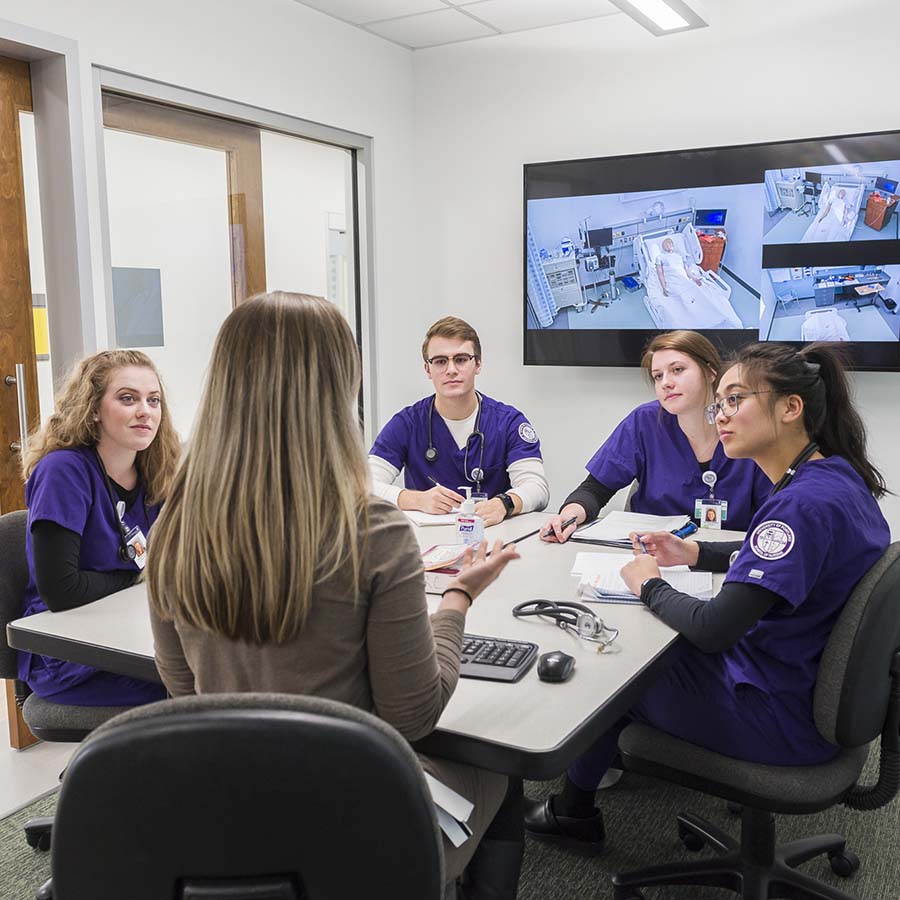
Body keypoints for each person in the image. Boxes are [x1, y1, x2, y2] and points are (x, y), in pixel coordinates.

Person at [147, 293, 525, 899]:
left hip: (230, 811)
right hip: (355, 826)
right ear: (337, 390)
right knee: (503, 769)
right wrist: (456, 598)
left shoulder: (175, 526)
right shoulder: (372, 531)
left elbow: (183, 692)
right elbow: (413, 717)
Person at [525, 341, 890, 854]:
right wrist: (695, 553)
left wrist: (648, 582)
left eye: (735, 399)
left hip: (779, 716)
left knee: (612, 667)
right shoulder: (832, 479)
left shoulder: (798, 506)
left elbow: (715, 629)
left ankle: (573, 813)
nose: (721, 416)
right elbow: (786, 559)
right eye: (720, 403)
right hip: (804, 687)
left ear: (791, 408)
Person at [19, 350, 180, 706]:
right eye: (128, 398)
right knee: (202, 693)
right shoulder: (64, 471)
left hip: (133, 631)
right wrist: (139, 575)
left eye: (153, 400)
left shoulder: (158, 470)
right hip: (69, 657)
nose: (145, 411)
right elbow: (61, 590)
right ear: (93, 410)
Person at [542, 330, 771, 544]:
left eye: (678, 370)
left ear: (710, 372)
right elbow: (595, 489)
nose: (666, 383)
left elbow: (776, 514)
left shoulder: (744, 424)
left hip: (730, 560)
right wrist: (569, 515)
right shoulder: (645, 422)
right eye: (657, 376)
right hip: (651, 555)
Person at [369, 316, 549, 526]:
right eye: (440, 361)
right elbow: (362, 485)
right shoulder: (407, 423)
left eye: (461, 359)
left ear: (478, 364)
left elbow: (537, 488)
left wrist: (504, 503)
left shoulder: (508, 422)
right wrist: (416, 499)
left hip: (494, 539)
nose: (451, 369)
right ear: (428, 369)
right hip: (428, 545)